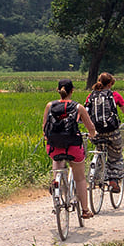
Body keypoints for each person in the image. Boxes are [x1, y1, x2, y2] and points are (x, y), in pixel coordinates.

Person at [43, 78, 98, 218]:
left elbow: (45, 128)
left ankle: (56, 181)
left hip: (53, 147)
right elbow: (90, 127)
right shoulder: (78, 107)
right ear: (72, 90)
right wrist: (93, 135)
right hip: (73, 147)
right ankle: (85, 210)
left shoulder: (50, 105)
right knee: (80, 178)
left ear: (58, 90)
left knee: (57, 158)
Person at [85, 72, 124, 193]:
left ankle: (95, 177)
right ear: (110, 84)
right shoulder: (115, 95)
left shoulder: (91, 96)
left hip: (96, 133)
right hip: (112, 132)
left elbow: (86, 113)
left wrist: (90, 130)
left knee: (99, 150)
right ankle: (113, 180)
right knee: (115, 156)